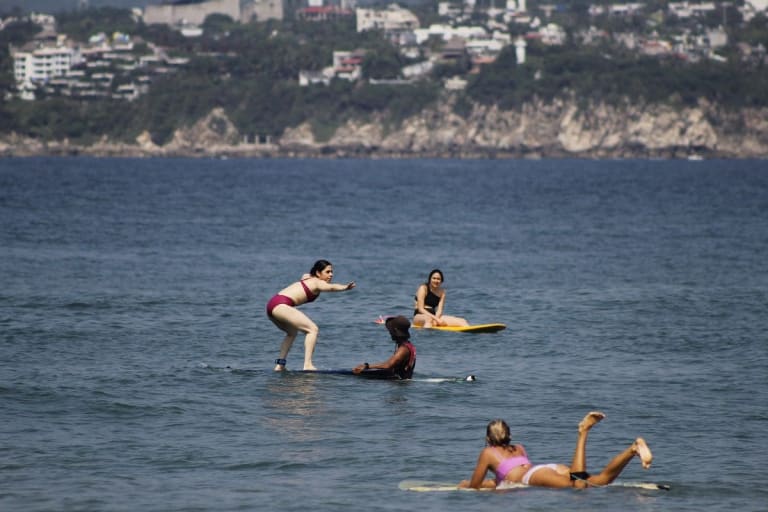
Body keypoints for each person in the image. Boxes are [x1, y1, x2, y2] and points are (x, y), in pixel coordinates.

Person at [458, 411, 653, 490]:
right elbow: (505, 477)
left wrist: (465, 484)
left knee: (578, 489)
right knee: (601, 481)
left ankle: (583, 432)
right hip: (548, 468)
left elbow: (475, 486)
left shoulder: (487, 453)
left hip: (533, 475)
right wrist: (494, 483)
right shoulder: (518, 448)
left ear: (487, 439)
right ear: (509, 435)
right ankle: (633, 449)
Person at [267, 259, 355, 371]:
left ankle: (280, 365)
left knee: (291, 333)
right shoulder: (318, 282)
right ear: (318, 273)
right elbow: (331, 287)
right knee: (312, 329)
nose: (331, 275)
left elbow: (305, 275)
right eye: (327, 272)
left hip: (271, 305)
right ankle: (307, 365)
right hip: (281, 305)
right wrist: (345, 287)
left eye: (332, 272)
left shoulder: (308, 277)